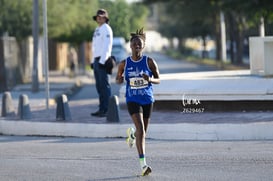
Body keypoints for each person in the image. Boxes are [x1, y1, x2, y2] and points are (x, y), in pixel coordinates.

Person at [116, 28, 160, 176]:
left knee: (143, 133)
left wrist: (150, 79)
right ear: (130, 46)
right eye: (134, 43)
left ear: (143, 46)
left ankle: (132, 134)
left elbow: (158, 79)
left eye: (139, 44)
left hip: (147, 99)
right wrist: (119, 79)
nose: (137, 46)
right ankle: (143, 166)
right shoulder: (124, 63)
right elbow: (118, 78)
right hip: (132, 99)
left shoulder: (149, 61)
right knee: (141, 129)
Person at [90, 9, 113, 117]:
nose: (99, 18)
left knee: (104, 86)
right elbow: (94, 47)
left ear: (105, 18)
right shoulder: (97, 29)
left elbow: (107, 46)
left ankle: (107, 109)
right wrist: (92, 61)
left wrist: (102, 61)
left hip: (102, 60)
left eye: (101, 16)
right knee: (99, 86)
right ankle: (101, 109)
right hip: (96, 59)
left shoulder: (106, 29)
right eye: (98, 16)